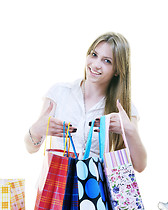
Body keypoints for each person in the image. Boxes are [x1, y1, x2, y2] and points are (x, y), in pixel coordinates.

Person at [24, 32, 147, 173]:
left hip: (96, 192)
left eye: (107, 61)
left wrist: (129, 130)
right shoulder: (59, 93)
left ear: (117, 71)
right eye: (94, 55)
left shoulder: (124, 109)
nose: (95, 65)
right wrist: (36, 130)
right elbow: (30, 148)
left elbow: (140, 166)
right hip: (57, 188)